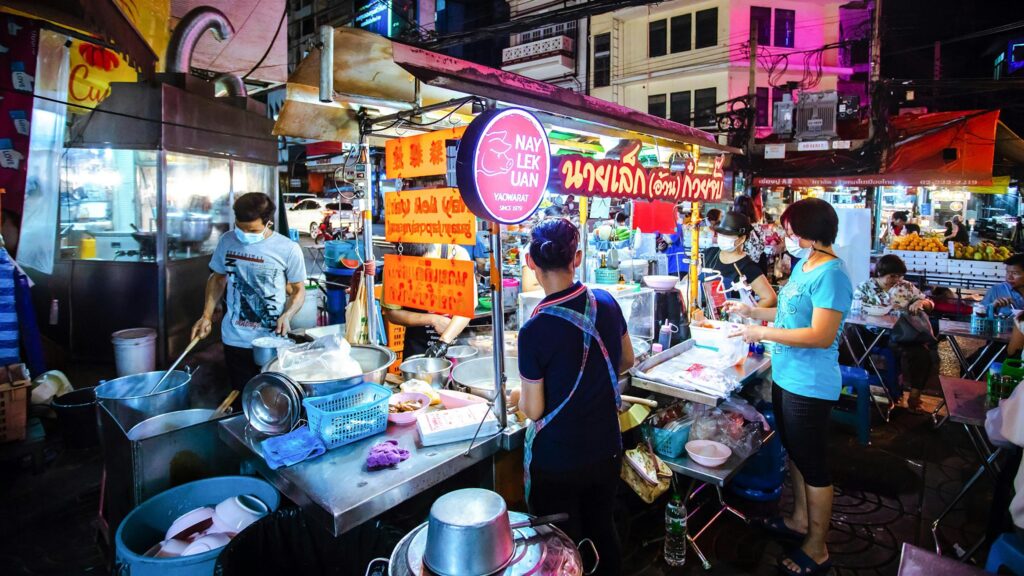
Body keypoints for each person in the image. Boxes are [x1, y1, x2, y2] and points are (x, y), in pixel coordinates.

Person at [724, 198, 852, 576]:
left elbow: (820, 334)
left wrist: (760, 331)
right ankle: (799, 521)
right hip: (786, 375)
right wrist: (751, 313)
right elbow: (787, 314)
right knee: (795, 454)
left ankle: (818, 547)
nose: (787, 237)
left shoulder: (832, 274)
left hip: (810, 385)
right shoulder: (805, 265)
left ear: (812, 234)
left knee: (813, 464)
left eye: (792, 231)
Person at [514, 218, 633, 576]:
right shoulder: (607, 302)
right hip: (606, 450)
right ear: (576, 258)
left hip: (558, 461)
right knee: (602, 529)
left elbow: (532, 409)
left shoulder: (534, 330)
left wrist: (516, 396)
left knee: (561, 551)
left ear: (531, 263)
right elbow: (626, 361)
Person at [191, 193, 307, 391]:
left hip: (272, 340)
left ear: (268, 222)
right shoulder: (227, 241)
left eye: (251, 230)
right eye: (240, 227)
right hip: (234, 338)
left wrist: (288, 315)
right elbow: (217, 278)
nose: (244, 234)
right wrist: (207, 315)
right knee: (241, 394)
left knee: (271, 395)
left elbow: (298, 290)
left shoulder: (288, 249)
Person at [853, 254, 936, 411]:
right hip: (873, 336)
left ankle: (914, 398)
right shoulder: (864, 288)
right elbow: (855, 311)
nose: (896, 279)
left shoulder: (905, 287)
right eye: (892, 276)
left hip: (902, 336)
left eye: (899, 275)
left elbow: (930, 303)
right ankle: (857, 389)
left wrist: (921, 302)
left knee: (923, 355)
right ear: (879, 273)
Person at [383, 242, 475, 358]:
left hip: (454, 342)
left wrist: (443, 342)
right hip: (416, 344)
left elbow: (469, 305)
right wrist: (433, 319)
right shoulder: (395, 263)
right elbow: (392, 313)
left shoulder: (457, 255)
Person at [701, 211, 777, 309]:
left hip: (730, 321)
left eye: (728, 234)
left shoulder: (748, 267)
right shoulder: (709, 254)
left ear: (741, 239)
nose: (722, 237)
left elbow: (770, 298)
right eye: (721, 233)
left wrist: (745, 314)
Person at [734, 195, 767, 272]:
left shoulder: (736, 227)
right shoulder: (758, 227)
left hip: (742, 266)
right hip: (757, 266)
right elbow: (762, 246)